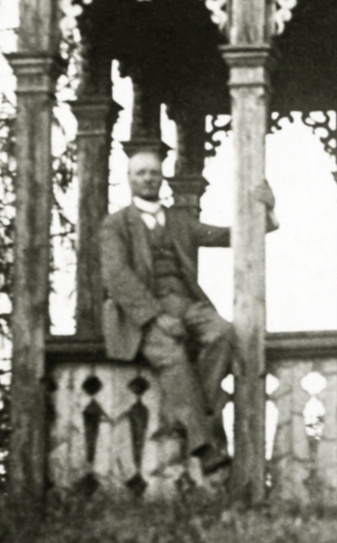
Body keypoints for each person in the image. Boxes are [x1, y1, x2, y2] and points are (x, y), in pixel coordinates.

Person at [99, 148, 277, 478]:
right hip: (141, 314)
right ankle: (203, 446)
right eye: (141, 173)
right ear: (129, 179)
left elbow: (228, 236)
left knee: (224, 333)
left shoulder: (178, 221)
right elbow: (117, 277)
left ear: (162, 177)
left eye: (153, 172)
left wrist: (266, 213)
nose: (148, 178)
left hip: (185, 304)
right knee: (174, 357)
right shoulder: (116, 225)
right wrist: (154, 317)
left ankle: (196, 414)